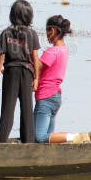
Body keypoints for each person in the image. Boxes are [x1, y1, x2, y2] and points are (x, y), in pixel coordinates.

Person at [0, 0, 40, 143]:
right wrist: (37, 78)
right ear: (29, 16)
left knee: (7, 109)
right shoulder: (32, 33)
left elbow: (2, 54)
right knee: (27, 109)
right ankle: (28, 142)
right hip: (27, 72)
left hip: (11, 71)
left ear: (13, 15)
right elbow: (35, 58)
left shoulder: (6, 32)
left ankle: (0, 142)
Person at [33, 15, 71, 143]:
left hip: (46, 97)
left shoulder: (52, 51)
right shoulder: (64, 50)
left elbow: (37, 67)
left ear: (53, 30)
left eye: (47, 31)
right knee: (49, 137)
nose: (47, 36)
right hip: (55, 97)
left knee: (40, 137)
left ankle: (74, 137)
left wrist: (32, 53)